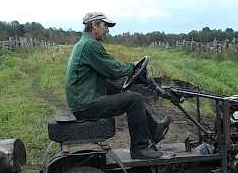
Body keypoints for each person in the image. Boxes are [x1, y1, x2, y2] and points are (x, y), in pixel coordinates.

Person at [65, 12, 170, 159]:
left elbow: (103, 75)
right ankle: (139, 149)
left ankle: (154, 129)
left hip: (82, 100)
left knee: (128, 96)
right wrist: (132, 67)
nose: (107, 29)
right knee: (135, 100)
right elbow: (112, 69)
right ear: (94, 25)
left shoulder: (83, 44)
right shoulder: (90, 45)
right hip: (86, 104)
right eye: (105, 25)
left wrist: (124, 84)